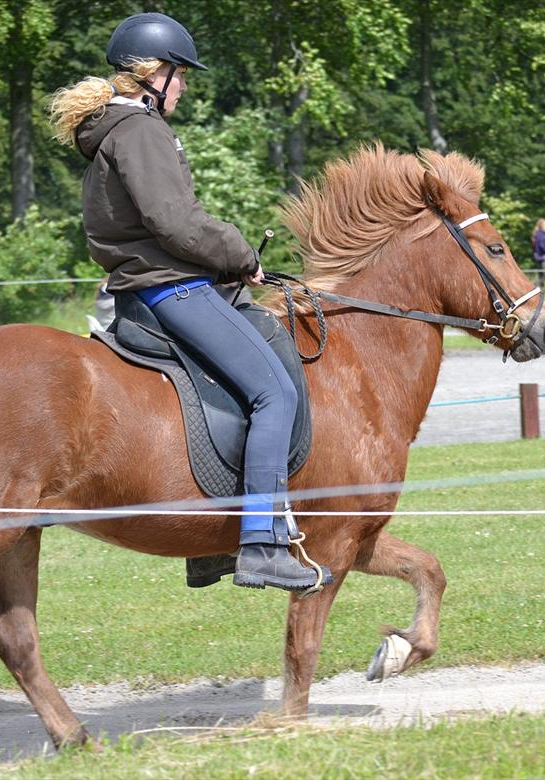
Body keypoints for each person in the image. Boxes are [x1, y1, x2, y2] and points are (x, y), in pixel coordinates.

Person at [49, 13, 329, 592]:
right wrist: (238, 254)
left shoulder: (119, 131)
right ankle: (262, 544)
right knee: (272, 391)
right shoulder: (141, 131)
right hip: (172, 287)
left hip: (151, 285)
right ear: (154, 74)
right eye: (180, 76)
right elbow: (175, 223)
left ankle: (208, 546)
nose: (183, 88)